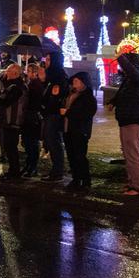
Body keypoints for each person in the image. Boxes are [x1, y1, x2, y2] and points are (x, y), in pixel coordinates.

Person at [108, 52, 139, 196]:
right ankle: (131, 183)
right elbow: (121, 93)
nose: (122, 67)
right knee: (128, 152)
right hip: (126, 119)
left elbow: (133, 73)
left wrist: (121, 58)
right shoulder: (130, 79)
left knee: (132, 153)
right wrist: (113, 102)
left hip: (134, 118)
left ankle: (137, 187)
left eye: (125, 64)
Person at [61, 72, 97, 192]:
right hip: (68, 129)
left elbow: (85, 114)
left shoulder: (88, 97)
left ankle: (85, 180)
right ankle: (76, 179)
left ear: (83, 83)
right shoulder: (72, 94)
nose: (74, 84)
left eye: (76, 81)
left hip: (80, 130)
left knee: (79, 156)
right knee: (71, 155)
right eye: (74, 82)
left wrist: (67, 112)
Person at [0, 63, 26, 180]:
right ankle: (12, 171)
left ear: (15, 73)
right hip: (8, 121)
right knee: (8, 146)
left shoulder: (17, 87)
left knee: (11, 147)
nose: (6, 72)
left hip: (12, 121)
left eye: (9, 71)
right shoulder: (12, 85)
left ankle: (15, 173)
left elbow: (6, 102)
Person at [40, 51, 69, 182]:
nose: (46, 62)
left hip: (54, 114)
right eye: (46, 59)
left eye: (49, 60)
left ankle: (58, 172)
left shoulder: (58, 77)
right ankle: (56, 170)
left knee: (54, 142)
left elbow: (54, 95)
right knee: (51, 141)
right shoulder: (51, 76)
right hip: (49, 113)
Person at [21, 63, 46, 176]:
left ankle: (32, 167)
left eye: (29, 71)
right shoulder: (31, 84)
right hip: (29, 116)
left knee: (32, 143)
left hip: (33, 117)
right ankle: (29, 165)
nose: (27, 73)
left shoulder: (36, 85)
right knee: (28, 142)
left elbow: (33, 101)